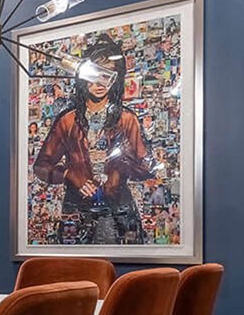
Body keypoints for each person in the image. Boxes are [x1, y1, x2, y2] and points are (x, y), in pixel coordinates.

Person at [33, 35, 156, 245]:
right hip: (77, 213)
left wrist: (122, 162)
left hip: (119, 213)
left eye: (108, 75)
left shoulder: (127, 119)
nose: (100, 83)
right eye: (95, 74)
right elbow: (41, 167)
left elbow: (148, 167)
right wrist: (70, 175)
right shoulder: (68, 121)